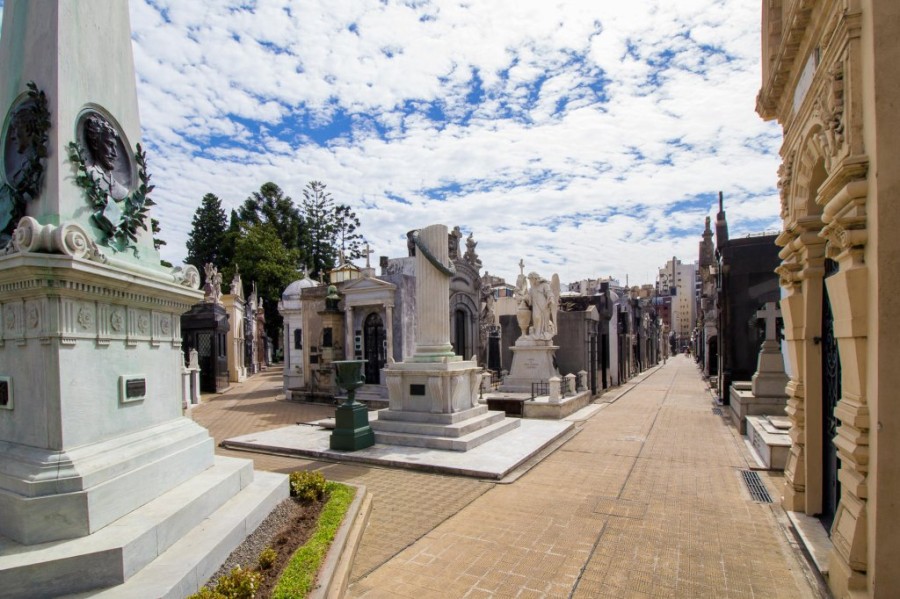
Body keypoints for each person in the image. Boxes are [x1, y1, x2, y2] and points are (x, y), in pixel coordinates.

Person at [83, 114, 129, 201]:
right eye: (109, 145)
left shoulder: (122, 190)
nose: (115, 154)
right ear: (95, 143)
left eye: (115, 147)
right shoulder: (89, 172)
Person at [527, 272, 558, 340]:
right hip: (535, 306)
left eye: (530, 279)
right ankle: (537, 334)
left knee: (544, 319)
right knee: (536, 318)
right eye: (529, 280)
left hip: (544, 305)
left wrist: (551, 298)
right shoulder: (531, 288)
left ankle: (544, 333)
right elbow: (529, 299)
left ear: (535, 278)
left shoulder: (544, 285)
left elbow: (549, 292)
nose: (530, 281)